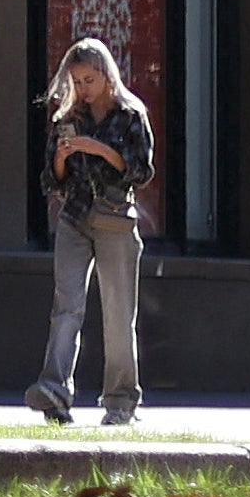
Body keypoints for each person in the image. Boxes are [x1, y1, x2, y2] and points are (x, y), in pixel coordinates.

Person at [29, 35, 156, 426]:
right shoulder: (68, 119)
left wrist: (95, 147)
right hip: (75, 217)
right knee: (66, 306)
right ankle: (54, 392)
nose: (82, 89)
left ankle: (120, 405)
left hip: (115, 219)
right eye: (76, 81)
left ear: (106, 75)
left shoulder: (131, 114)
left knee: (118, 315)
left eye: (89, 80)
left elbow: (141, 170)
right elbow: (52, 180)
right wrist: (65, 157)